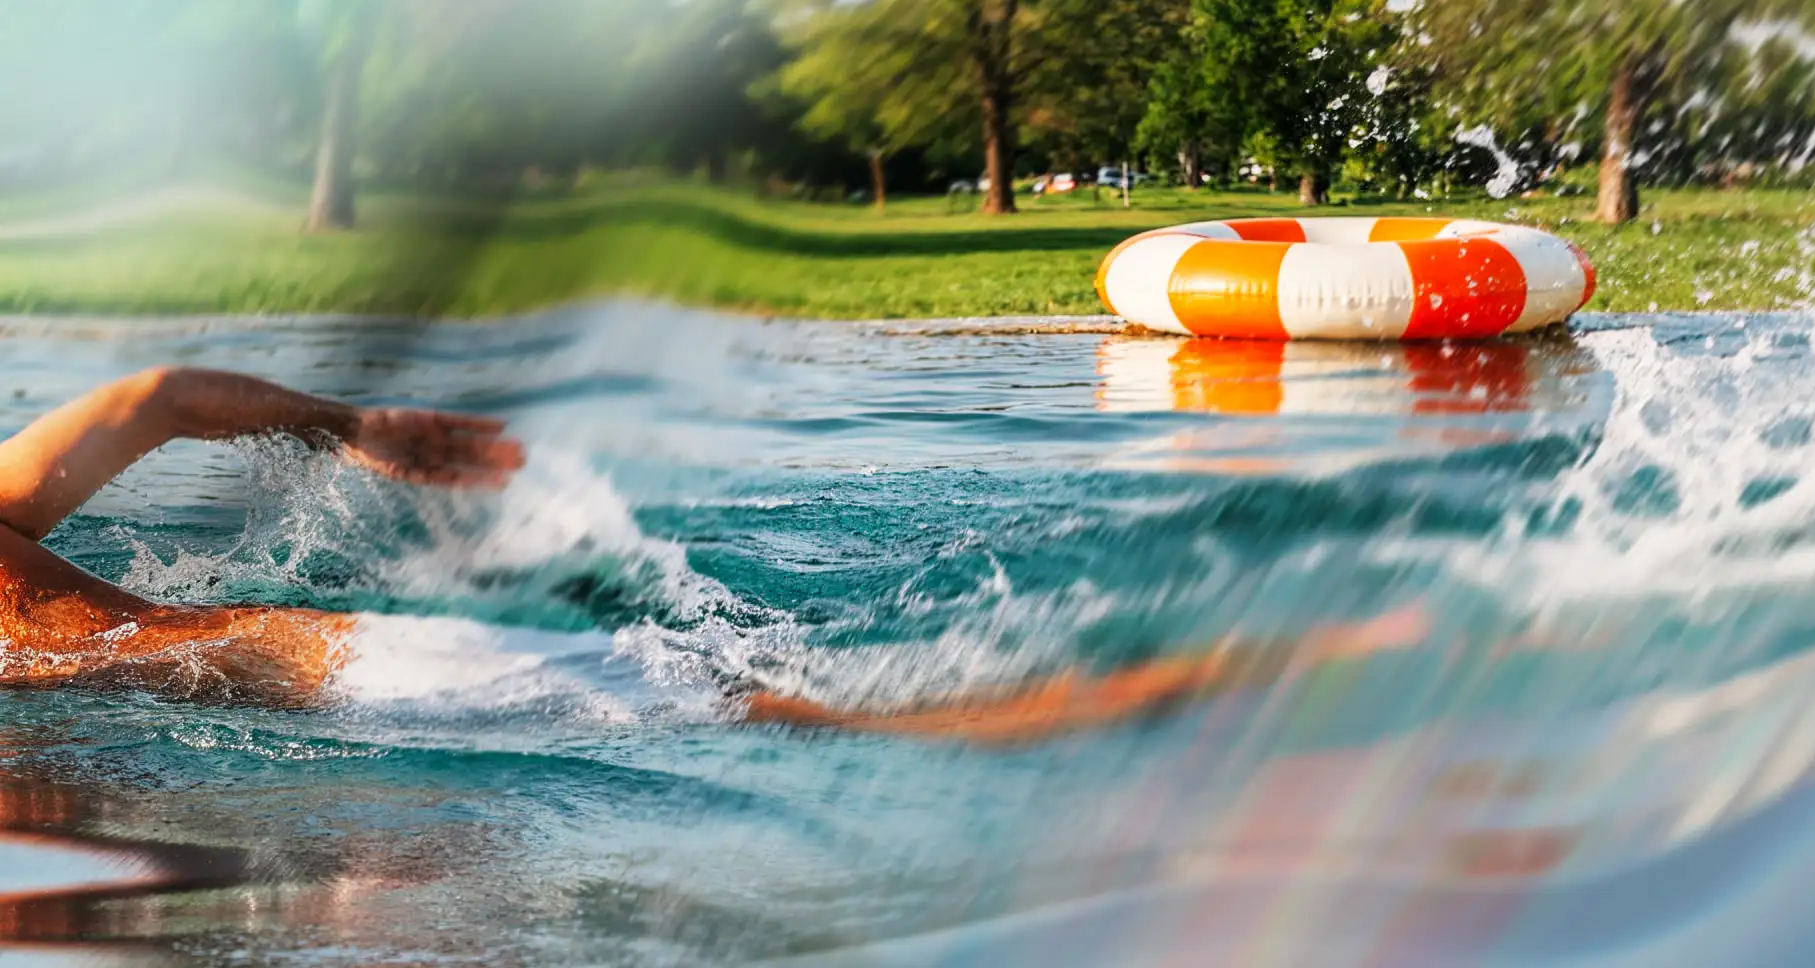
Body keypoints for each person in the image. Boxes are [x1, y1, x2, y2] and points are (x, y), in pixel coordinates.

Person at [0, 367, 1430, 738]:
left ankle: (1310, 665)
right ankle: (1295, 656)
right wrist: (355, 428)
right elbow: (159, 401)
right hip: (388, 669)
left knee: (905, 729)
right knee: (865, 704)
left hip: (391, 687)